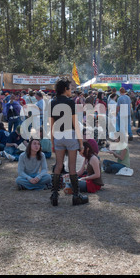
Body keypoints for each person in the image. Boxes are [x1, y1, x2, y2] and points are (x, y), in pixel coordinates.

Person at [50, 77, 88, 206]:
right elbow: (75, 125)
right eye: (70, 88)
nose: (71, 91)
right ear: (65, 89)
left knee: (58, 165)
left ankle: (54, 195)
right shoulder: (70, 102)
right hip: (70, 135)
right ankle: (76, 196)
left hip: (58, 136)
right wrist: (81, 143)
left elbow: (52, 125)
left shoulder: (53, 102)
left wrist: (52, 142)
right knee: (72, 167)